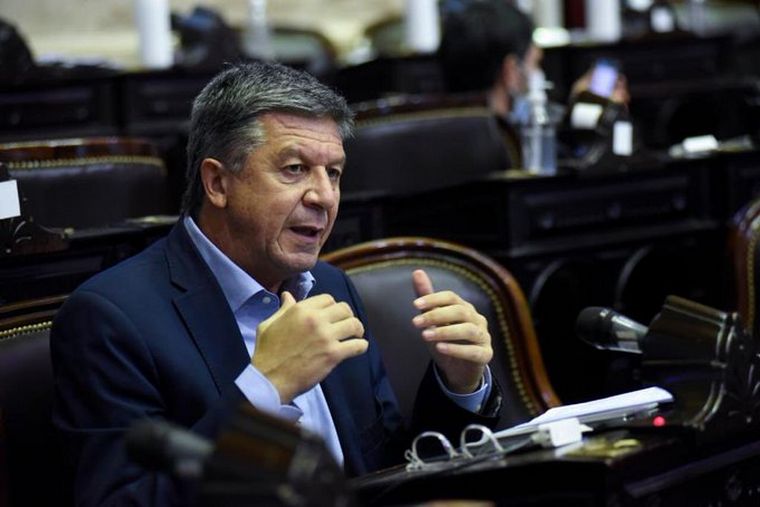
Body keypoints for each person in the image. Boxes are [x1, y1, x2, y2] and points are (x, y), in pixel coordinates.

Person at [51, 61, 502, 506]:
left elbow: (388, 470)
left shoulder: (331, 287)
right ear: (217, 183)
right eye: (294, 169)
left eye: (333, 173)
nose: (323, 196)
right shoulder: (112, 319)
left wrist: (459, 386)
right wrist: (266, 388)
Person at [438, 0, 630, 166]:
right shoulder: (519, 152)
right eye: (536, 63)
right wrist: (599, 113)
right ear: (511, 72)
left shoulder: (439, 139)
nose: (538, 73)